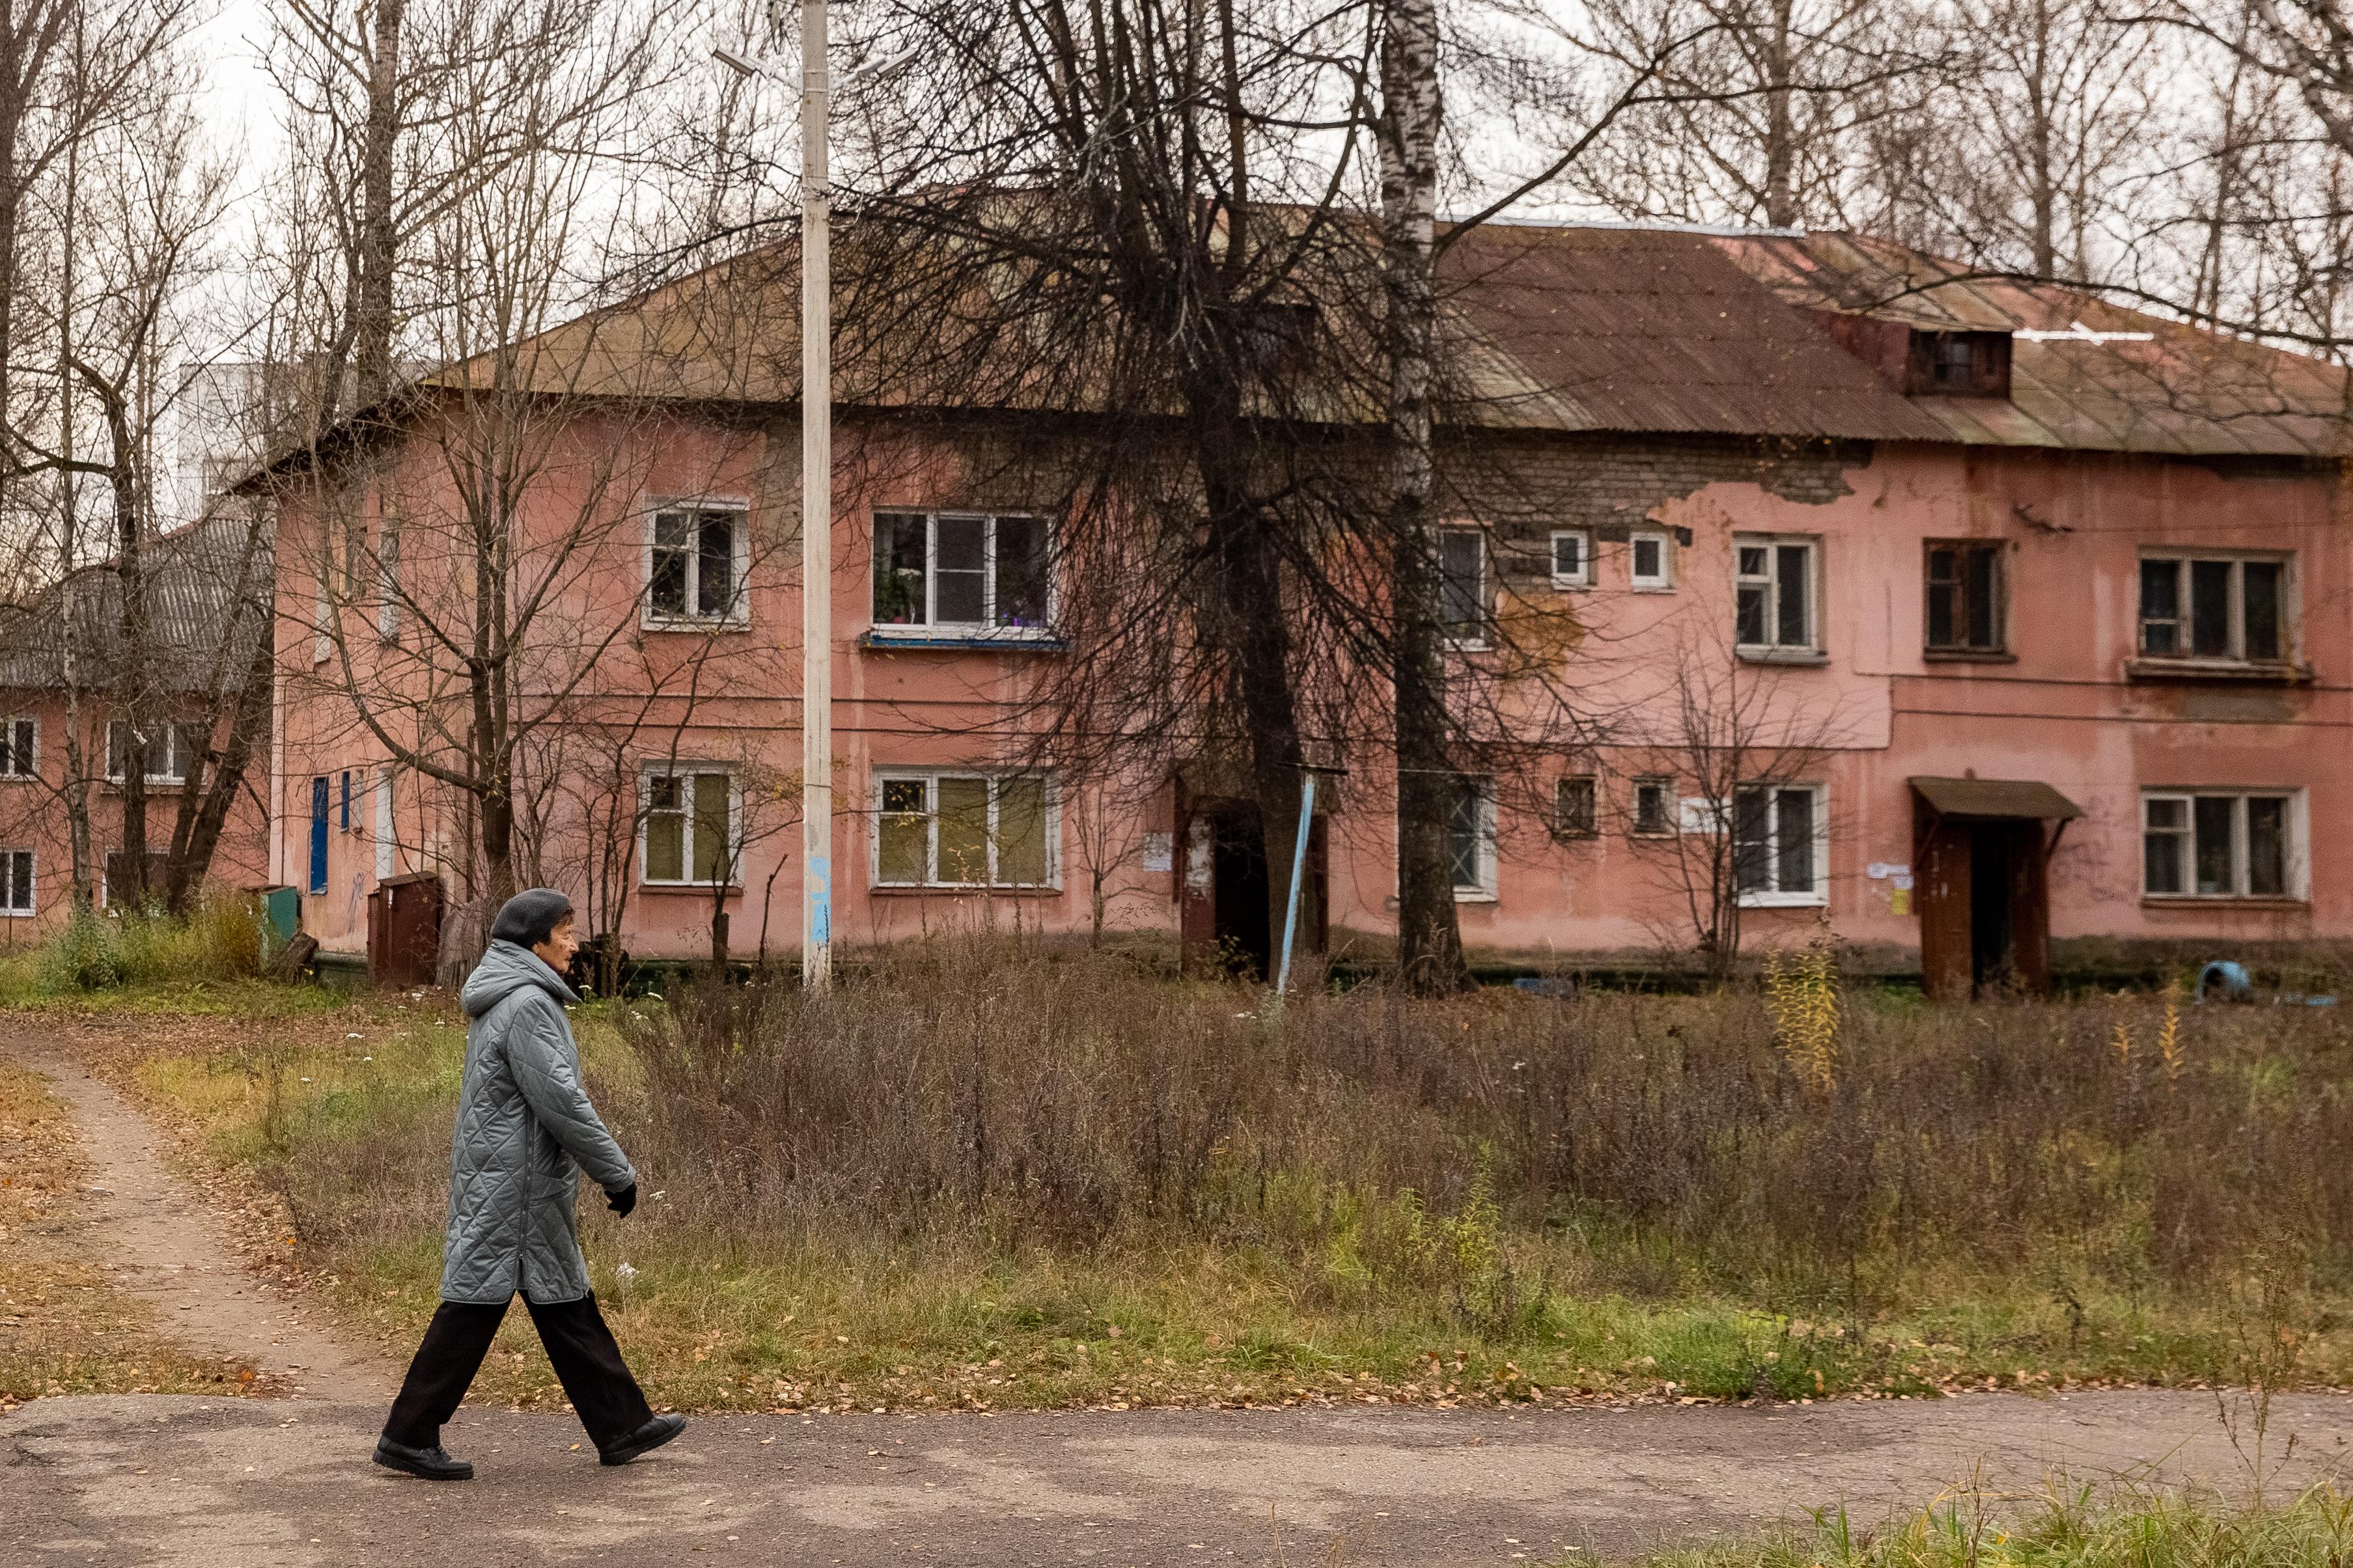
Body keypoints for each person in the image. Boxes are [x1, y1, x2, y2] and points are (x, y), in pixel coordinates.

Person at [374, 888, 685, 1480]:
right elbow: (561, 1101)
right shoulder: (527, 1005)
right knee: (474, 1307)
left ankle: (622, 1423)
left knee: (564, 1299)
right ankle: (408, 1433)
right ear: (534, 942)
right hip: (513, 1187)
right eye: (565, 931)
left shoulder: (517, 996)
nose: (575, 942)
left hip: (517, 1180)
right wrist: (616, 1173)